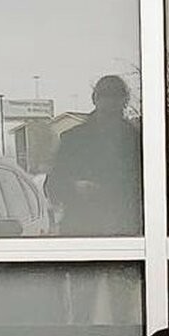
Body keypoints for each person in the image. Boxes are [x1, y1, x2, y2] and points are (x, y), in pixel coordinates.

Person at [45, 75, 142, 235]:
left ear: (124, 100)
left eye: (115, 95)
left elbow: (156, 188)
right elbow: (53, 186)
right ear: (94, 99)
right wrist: (75, 187)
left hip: (127, 234)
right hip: (82, 233)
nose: (110, 101)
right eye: (105, 95)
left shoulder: (139, 142)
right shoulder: (73, 140)